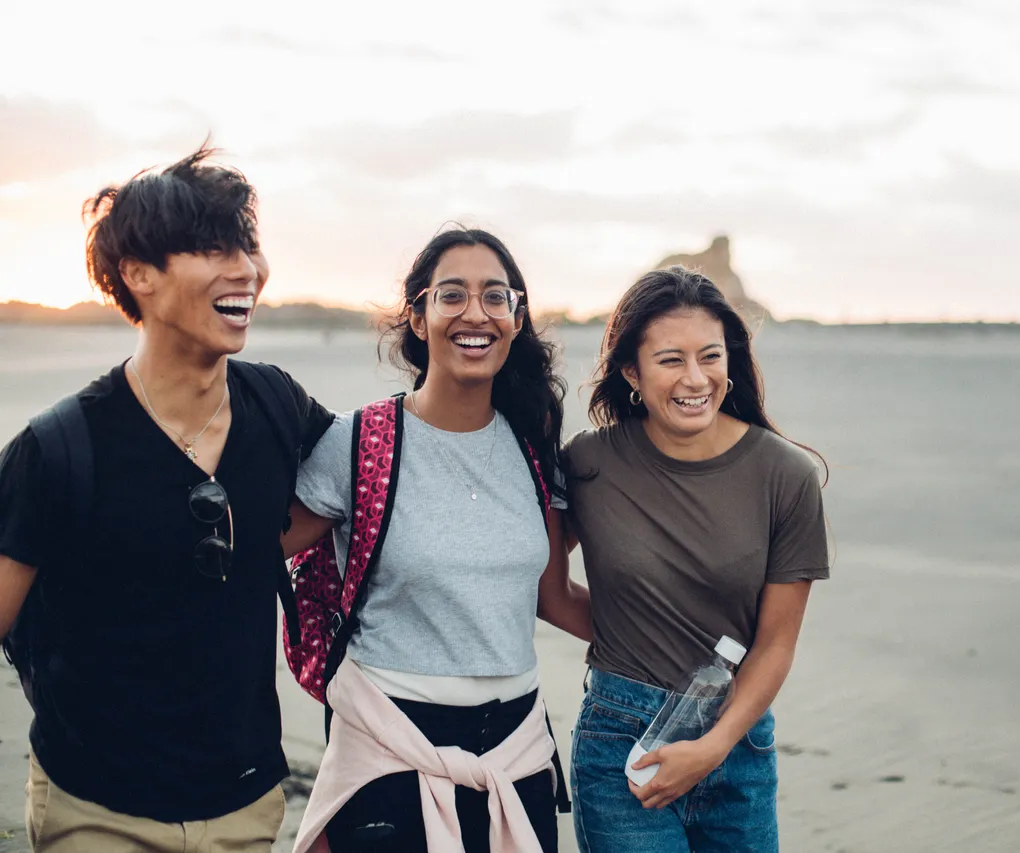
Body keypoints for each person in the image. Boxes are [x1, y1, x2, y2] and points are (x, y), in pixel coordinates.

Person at [0, 146, 334, 852]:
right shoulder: (59, 447)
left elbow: (364, 479)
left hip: (245, 806)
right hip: (97, 809)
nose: (245, 267)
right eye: (213, 247)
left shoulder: (277, 406)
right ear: (138, 275)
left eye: (246, 245)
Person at [283, 227, 591, 853]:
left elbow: (552, 598)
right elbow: (253, 553)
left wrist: (680, 643)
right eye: (452, 295)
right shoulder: (359, 442)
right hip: (389, 752)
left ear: (516, 318)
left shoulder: (536, 451)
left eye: (495, 297)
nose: (475, 313)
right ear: (419, 318)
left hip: (518, 755)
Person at [565, 266, 830, 852]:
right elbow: (543, 588)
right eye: (669, 360)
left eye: (710, 356)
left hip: (738, 747)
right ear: (631, 370)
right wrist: (631, 634)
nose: (695, 379)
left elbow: (776, 643)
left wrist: (715, 744)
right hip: (619, 742)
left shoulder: (784, 476)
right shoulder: (589, 464)